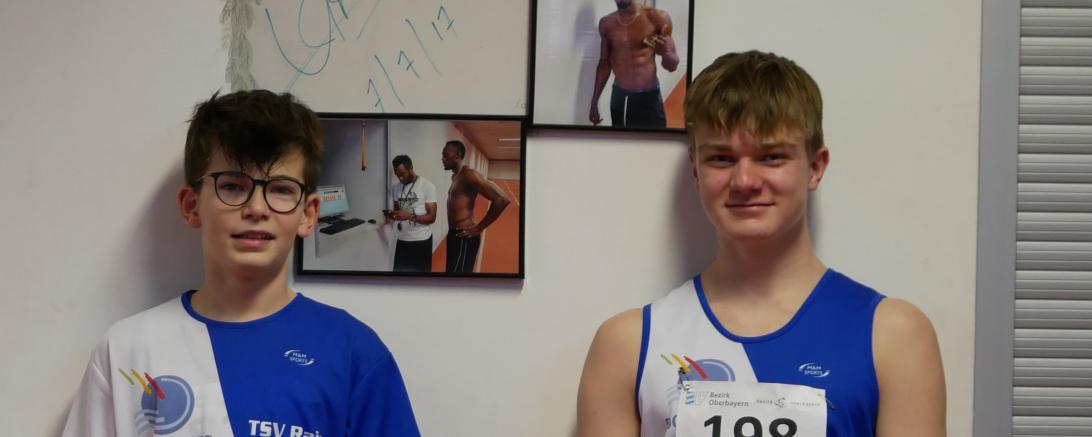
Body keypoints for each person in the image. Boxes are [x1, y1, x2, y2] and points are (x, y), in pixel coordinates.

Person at [576, 51, 946, 437]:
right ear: (695, 170)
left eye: (771, 157)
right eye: (721, 158)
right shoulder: (628, 345)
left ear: (815, 167)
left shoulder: (894, 334)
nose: (745, 181)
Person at [61, 90, 421, 437]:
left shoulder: (354, 352)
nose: (257, 208)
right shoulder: (126, 350)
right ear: (191, 205)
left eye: (281, 188)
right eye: (232, 185)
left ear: (308, 215)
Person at [590, 0, 680, 128]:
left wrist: (666, 53)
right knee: (622, 144)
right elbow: (604, 64)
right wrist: (594, 103)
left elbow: (672, 66)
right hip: (622, 96)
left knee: (656, 143)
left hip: (650, 97)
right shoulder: (606, 24)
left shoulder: (657, 17)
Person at [441, 140, 511, 273]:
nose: (442, 158)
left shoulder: (469, 175)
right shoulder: (455, 176)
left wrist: (479, 227)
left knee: (458, 281)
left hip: (464, 236)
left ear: (457, 155)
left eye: (446, 154)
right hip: (454, 234)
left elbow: (502, 199)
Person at [385, 155, 438, 272]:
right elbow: (398, 212)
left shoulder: (427, 186)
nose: (400, 178)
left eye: (403, 174)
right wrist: (392, 215)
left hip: (421, 240)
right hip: (402, 240)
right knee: (399, 280)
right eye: (397, 175)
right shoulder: (396, 188)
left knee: (420, 282)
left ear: (411, 168)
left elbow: (432, 218)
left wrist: (410, 216)